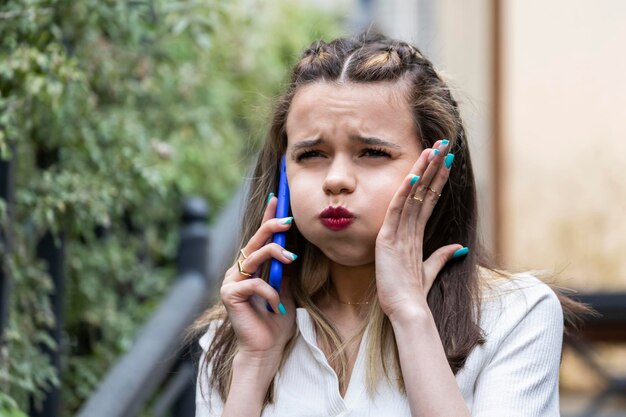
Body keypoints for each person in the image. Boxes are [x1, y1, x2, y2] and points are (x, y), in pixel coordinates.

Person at [189, 32, 588, 417]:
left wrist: (411, 316)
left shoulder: (514, 314)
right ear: (282, 173)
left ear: (435, 167)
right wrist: (256, 361)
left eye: (372, 152)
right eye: (311, 154)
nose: (335, 179)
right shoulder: (236, 334)